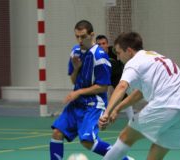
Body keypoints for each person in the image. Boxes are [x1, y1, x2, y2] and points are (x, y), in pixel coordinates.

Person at [99, 32, 180, 160]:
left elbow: (122, 86)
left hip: (164, 106)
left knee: (126, 137)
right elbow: (139, 93)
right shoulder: (154, 57)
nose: (118, 57)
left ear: (129, 51)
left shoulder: (134, 62)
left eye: (118, 52)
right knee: (156, 155)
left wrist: (106, 112)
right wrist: (117, 109)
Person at [50, 20, 133, 160]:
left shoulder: (100, 56)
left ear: (92, 35)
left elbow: (103, 87)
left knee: (87, 141)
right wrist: (76, 68)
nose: (80, 40)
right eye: (77, 36)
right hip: (77, 104)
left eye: (83, 36)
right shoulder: (75, 52)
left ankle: (126, 159)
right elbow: (73, 80)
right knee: (57, 133)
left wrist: (78, 92)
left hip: (94, 104)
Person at [96, 35, 134, 119]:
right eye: (99, 44)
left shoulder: (113, 50)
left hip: (117, 75)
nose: (101, 46)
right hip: (103, 76)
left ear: (107, 44)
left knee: (124, 96)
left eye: (103, 43)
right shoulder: (94, 55)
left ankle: (132, 119)